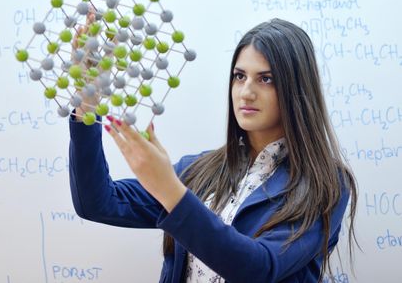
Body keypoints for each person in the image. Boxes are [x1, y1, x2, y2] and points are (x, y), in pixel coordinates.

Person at [68, 18, 358, 283]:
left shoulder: (325, 184)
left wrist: (170, 190)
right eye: (239, 76)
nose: (246, 92)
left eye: (265, 79)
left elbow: (258, 268)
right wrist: (87, 105)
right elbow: (96, 202)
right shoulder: (201, 169)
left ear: (296, 89)